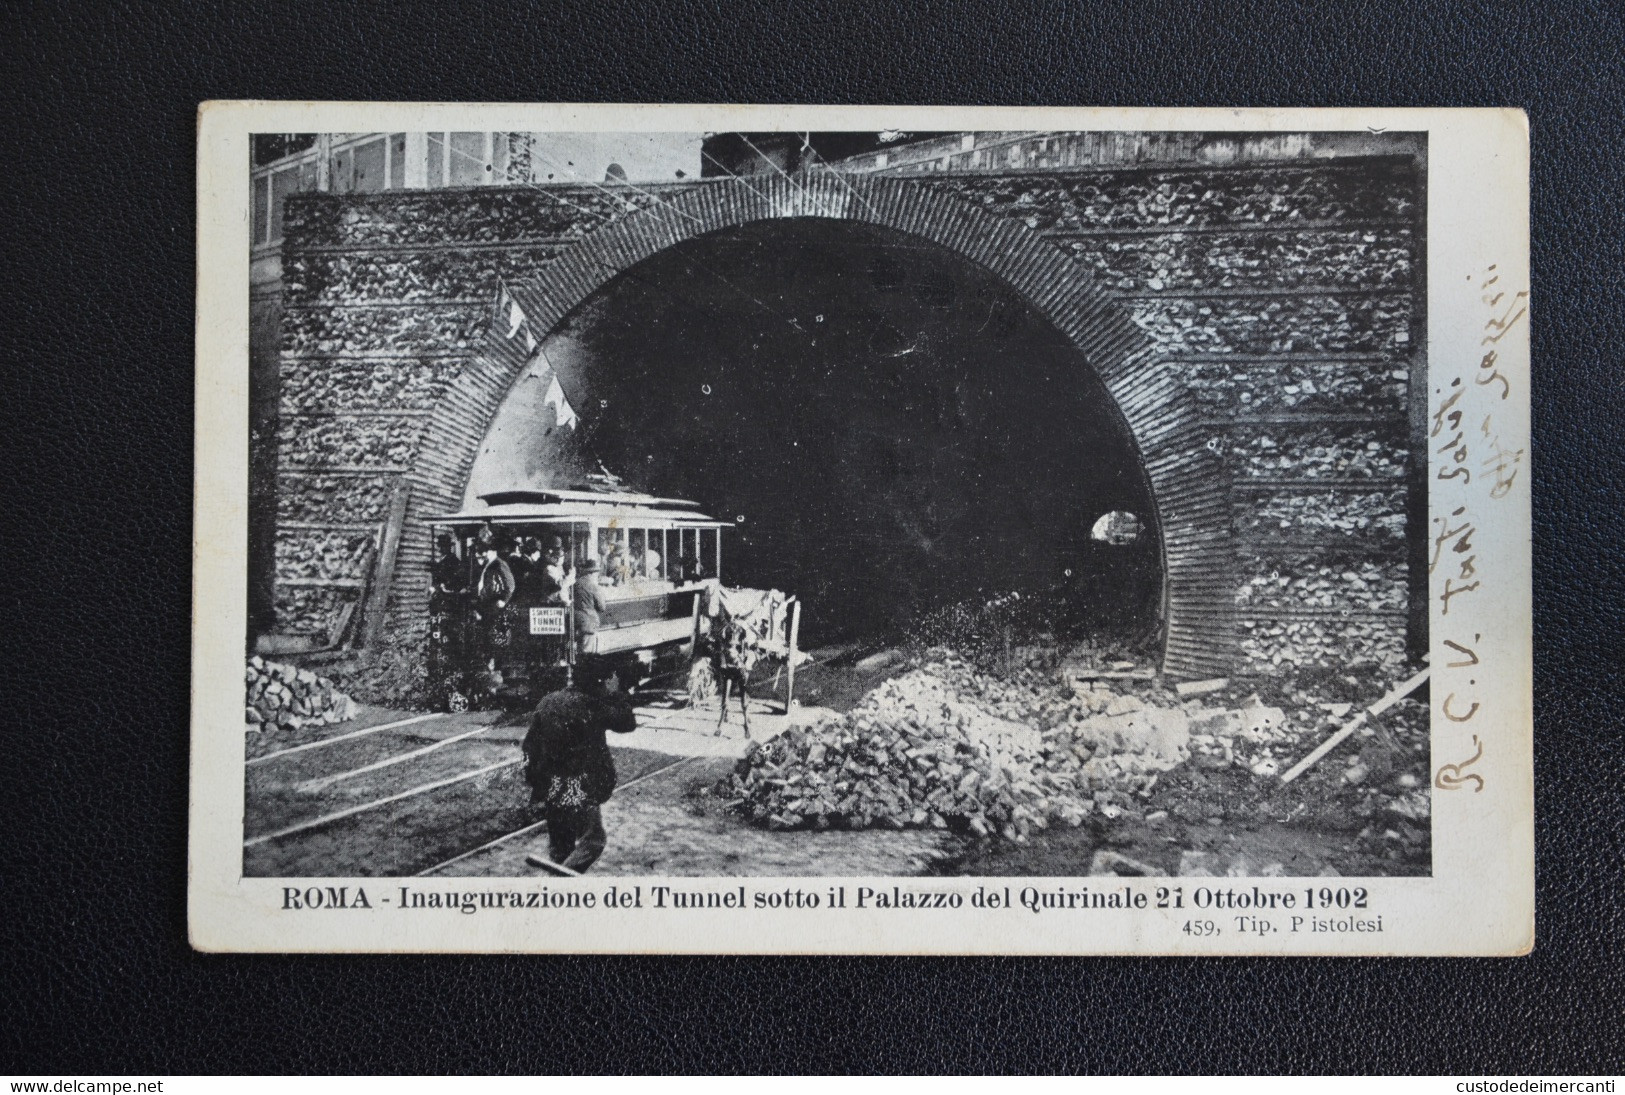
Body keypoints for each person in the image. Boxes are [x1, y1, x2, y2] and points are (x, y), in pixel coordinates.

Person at [521, 657, 638, 873]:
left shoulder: (548, 701)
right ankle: (559, 880)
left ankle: (558, 891)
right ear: (600, 681)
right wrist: (617, 693)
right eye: (609, 678)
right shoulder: (592, 705)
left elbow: (529, 746)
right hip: (579, 786)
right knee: (593, 840)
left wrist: (537, 782)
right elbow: (627, 723)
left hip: (551, 786)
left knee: (560, 848)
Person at [572, 556, 607, 653]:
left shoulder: (575, 584)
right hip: (590, 623)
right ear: (592, 573)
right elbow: (602, 607)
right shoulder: (594, 586)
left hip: (575, 622)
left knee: (579, 651)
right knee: (587, 653)